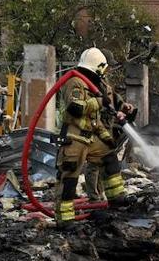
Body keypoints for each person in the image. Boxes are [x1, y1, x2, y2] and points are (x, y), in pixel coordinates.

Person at [54, 47, 135, 226]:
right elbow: (75, 108)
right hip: (74, 138)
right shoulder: (74, 82)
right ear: (97, 66)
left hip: (92, 135)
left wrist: (108, 133)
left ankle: (116, 199)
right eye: (104, 68)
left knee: (109, 157)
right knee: (69, 177)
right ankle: (65, 219)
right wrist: (99, 102)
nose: (106, 71)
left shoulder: (98, 83)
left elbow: (107, 103)